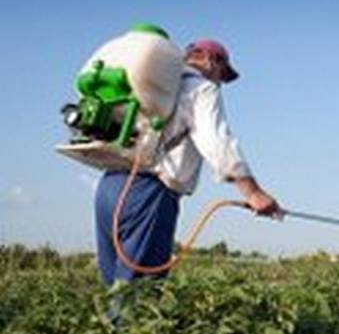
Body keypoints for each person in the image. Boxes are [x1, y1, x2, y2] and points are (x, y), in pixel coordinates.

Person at [94, 38, 282, 285]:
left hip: (109, 187)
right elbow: (218, 143)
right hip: (148, 193)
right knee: (139, 295)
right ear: (209, 59)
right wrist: (253, 193)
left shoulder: (148, 86)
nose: (219, 81)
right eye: (221, 73)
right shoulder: (200, 89)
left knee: (114, 288)